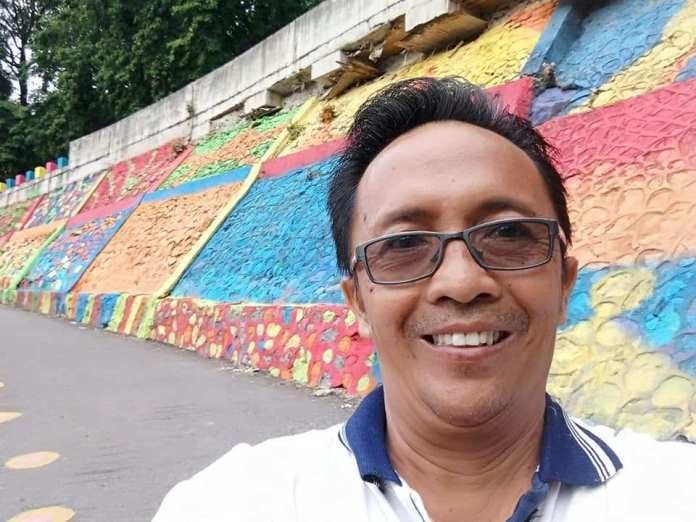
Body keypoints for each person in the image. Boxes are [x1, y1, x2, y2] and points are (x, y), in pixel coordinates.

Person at [153, 77, 696, 521]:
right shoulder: (231, 504)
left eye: (508, 233)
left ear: (563, 284)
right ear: (358, 302)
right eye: (403, 245)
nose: (461, 282)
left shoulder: (674, 495)